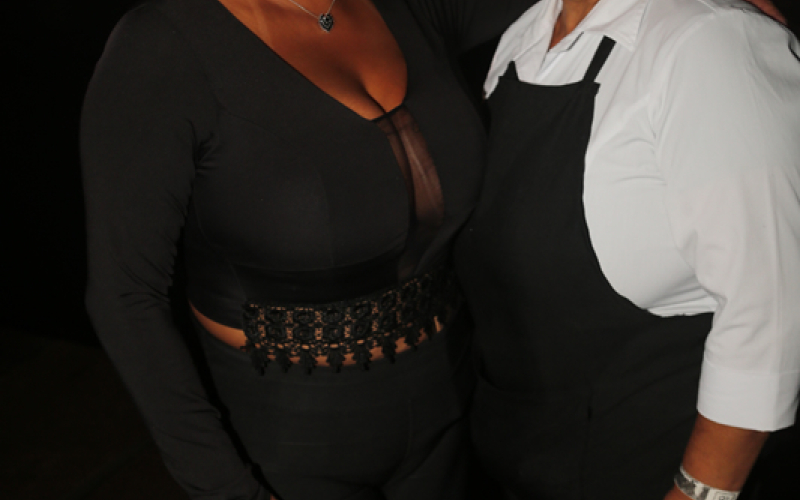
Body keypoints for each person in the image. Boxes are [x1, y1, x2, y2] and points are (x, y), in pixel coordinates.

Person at [80, 0, 541, 498]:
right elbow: (125, 296)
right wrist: (224, 488)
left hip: (450, 400)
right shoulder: (163, 44)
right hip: (284, 439)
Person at [455, 0, 800, 499]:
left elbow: (772, 307)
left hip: (651, 463)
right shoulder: (525, 36)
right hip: (523, 451)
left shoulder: (708, 42)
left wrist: (698, 492)